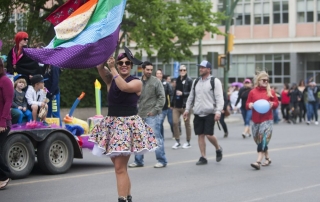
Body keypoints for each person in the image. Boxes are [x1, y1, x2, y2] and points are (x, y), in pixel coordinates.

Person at [90, 52, 157, 202]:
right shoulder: (110, 80)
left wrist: (113, 68)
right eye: (121, 63)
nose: (124, 65)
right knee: (121, 168)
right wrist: (104, 51)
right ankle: (127, 197)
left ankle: (122, 199)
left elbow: (124, 87)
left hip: (127, 127)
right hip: (112, 125)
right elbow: (100, 67)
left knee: (119, 168)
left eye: (127, 63)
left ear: (132, 66)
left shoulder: (137, 82)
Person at [183, 60, 223, 165]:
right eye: (200, 67)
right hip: (198, 112)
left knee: (209, 134)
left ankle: (218, 148)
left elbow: (219, 98)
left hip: (210, 112)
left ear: (208, 69)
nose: (200, 69)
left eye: (203, 67)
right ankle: (203, 157)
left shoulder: (215, 81)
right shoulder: (196, 81)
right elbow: (191, 97)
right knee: (200, 135)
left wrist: (218, 111)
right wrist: (187, 109)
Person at [128, 61, 167, 168]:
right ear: (143, 69)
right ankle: (138, 161)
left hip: (152, 115)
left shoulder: (156, 81)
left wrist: (155, 110)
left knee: (156, 138)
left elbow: (162, 97)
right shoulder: (138, 81)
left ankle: (162, 160)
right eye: (147, 69)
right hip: (140, 114)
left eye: (151, 69)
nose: (149, 71)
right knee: (138, 138)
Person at [246, 71, 279, 170]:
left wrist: (272, 104)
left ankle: (258, 161)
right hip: (256, 120)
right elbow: (247, 104)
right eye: (263, 80)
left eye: (267, 80)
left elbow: (276, 103)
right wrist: (250, 105)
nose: (265, 82)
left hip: (267, 120)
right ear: (258, 81)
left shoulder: (271, 91)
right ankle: (268, 158)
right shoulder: (252, 92)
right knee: (259, 140)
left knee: (263, 139)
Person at [171, 65, 193, 149]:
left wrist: (183, 93)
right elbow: (174, 92)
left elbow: (192, 93)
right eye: (180, 70)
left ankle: (188, 142)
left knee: (187, 124)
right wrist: (172, 104)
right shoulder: (177, 79)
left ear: (186, 71)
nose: (182, 71)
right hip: (177, 105)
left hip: (185, 106)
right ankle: (177, 141)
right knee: (175, 122)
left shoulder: (189, 80)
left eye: (184, 70)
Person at [0, 58, 14, 189]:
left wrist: (3, 121)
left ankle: (4, 176)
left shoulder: (5, 81)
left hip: (3, 123)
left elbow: (8, 102)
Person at [156, 70, 173, 139]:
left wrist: (171, 104)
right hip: (155, 107)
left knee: (161, 122)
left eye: (160, 73)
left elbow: (171, 94)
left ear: (162, 75)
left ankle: (161, 138)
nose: (159, 75)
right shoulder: (153, 82)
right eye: (157, 74)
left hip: (164, 107)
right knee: (158, 124)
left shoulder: (166, 84)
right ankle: (160, 138)